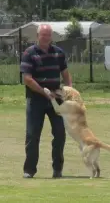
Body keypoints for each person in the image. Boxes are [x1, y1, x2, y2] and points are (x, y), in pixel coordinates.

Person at [20, 24, 72, 179]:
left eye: (48, 35)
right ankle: (29, 170)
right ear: (37, 36)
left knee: (60, 133)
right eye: (43, 35)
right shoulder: (29, 53)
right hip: (36, 99)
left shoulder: (59, 53)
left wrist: (69, 90)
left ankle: (58, 169)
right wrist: (43, 92)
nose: (46, 38)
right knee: (33, 135)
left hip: (56, 99)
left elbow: (65, 73)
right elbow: (27, 79)